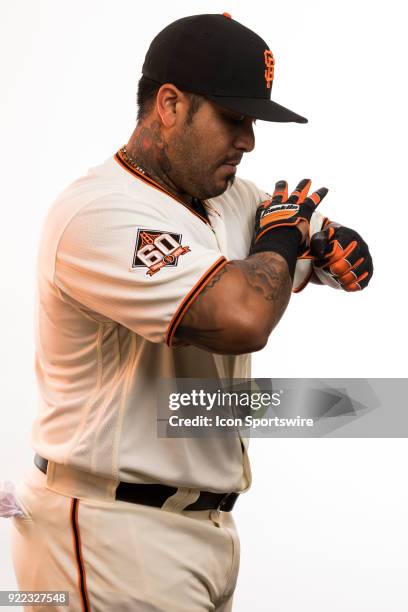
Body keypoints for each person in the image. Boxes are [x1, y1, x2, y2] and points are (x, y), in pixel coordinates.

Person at [9, 13, 373, 612]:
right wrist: (283, 242)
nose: (250, 140)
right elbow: (243, 318)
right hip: (110, 528)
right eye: (234, 118)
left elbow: (304, 244)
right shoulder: (97, 213)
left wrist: (338, 252)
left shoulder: (227, 195)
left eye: (253, 120)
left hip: (202, 533)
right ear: (170, 105)